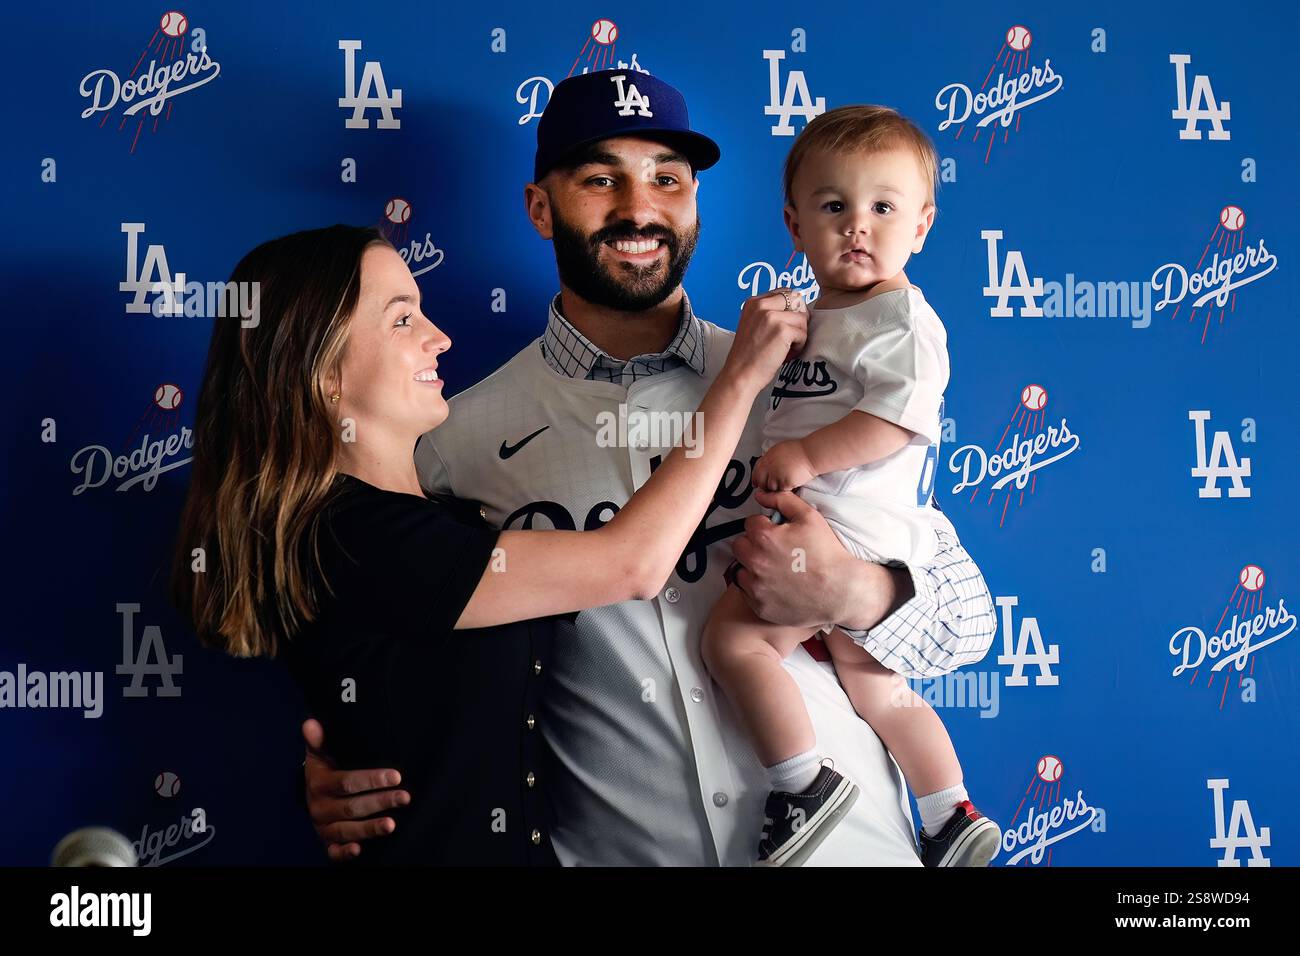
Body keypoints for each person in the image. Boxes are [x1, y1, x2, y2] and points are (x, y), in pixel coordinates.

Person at [304, 69, 998, 866]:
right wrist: (340, 762)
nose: (639, 209)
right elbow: (406, 633)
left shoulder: (801, 373)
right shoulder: (449, 436)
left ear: (696, 204)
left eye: (667, 179)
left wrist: (854, 590)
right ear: (541, 208)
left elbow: (966, 623)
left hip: (852, 848)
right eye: (601, 179)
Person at [170, 222, 806, 864]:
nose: (438, 338)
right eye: (401, 320)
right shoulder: (351, 535)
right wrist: (739, 382)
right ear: (323, 369)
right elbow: (633, 564)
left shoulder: (447, 521)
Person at [701, 105, 1000, 867]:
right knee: (878, 689)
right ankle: (946, 812)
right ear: (795, 226)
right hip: (838, 518)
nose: (857, 226)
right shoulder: (813, 319)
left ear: (923, 224)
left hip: (854, 525)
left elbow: (898, 421)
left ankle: (801, 782)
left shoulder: (900, 318)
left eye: (883, 207)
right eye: (834, 207)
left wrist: (803, 457)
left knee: (734, 642)